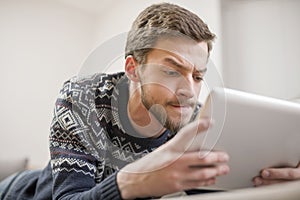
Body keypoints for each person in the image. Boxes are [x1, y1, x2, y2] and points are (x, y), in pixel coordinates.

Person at [0, 2, 299, 200]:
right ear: (133, 68)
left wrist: (268, 180)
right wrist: (134, 180)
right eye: (172, 70)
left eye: (197, 76)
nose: (188, 91)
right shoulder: (82, 99)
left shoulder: (197, 119)